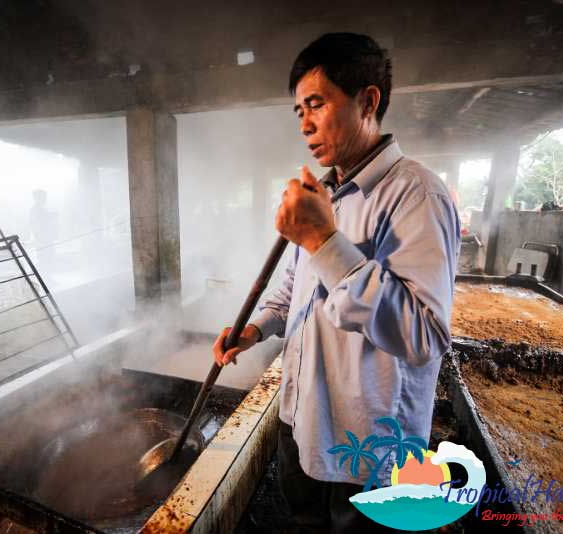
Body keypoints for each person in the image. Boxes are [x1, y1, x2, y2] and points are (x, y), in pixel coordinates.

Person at [212, 33, 460, 533]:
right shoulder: (324, 192)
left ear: (368, 101)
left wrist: (324, 240)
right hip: (302, 422)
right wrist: (256, 329)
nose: (304, 124)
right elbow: (295, 289)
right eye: (298, 109)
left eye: (317, 104)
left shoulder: (416, 195)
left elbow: (424, 337)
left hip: (365, 446)